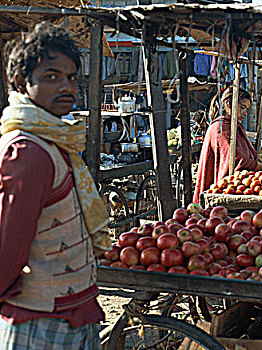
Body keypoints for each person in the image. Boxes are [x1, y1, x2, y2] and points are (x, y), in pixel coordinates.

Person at [0, 22, 111, 349]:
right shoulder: (27, 152)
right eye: (51, 76)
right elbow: (9, 248)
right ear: (22, 83)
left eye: (71, 77)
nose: (66, 86)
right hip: (39, 323)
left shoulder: (55, 140)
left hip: (72, 315)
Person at [193, 86, 262, 203]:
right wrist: (256, 165)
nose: (245, 113)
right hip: (221, 191)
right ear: (228, 104)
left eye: (246, 109)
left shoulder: (234, 126)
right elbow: (234, 159)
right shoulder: (220, 128)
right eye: (242, 107)